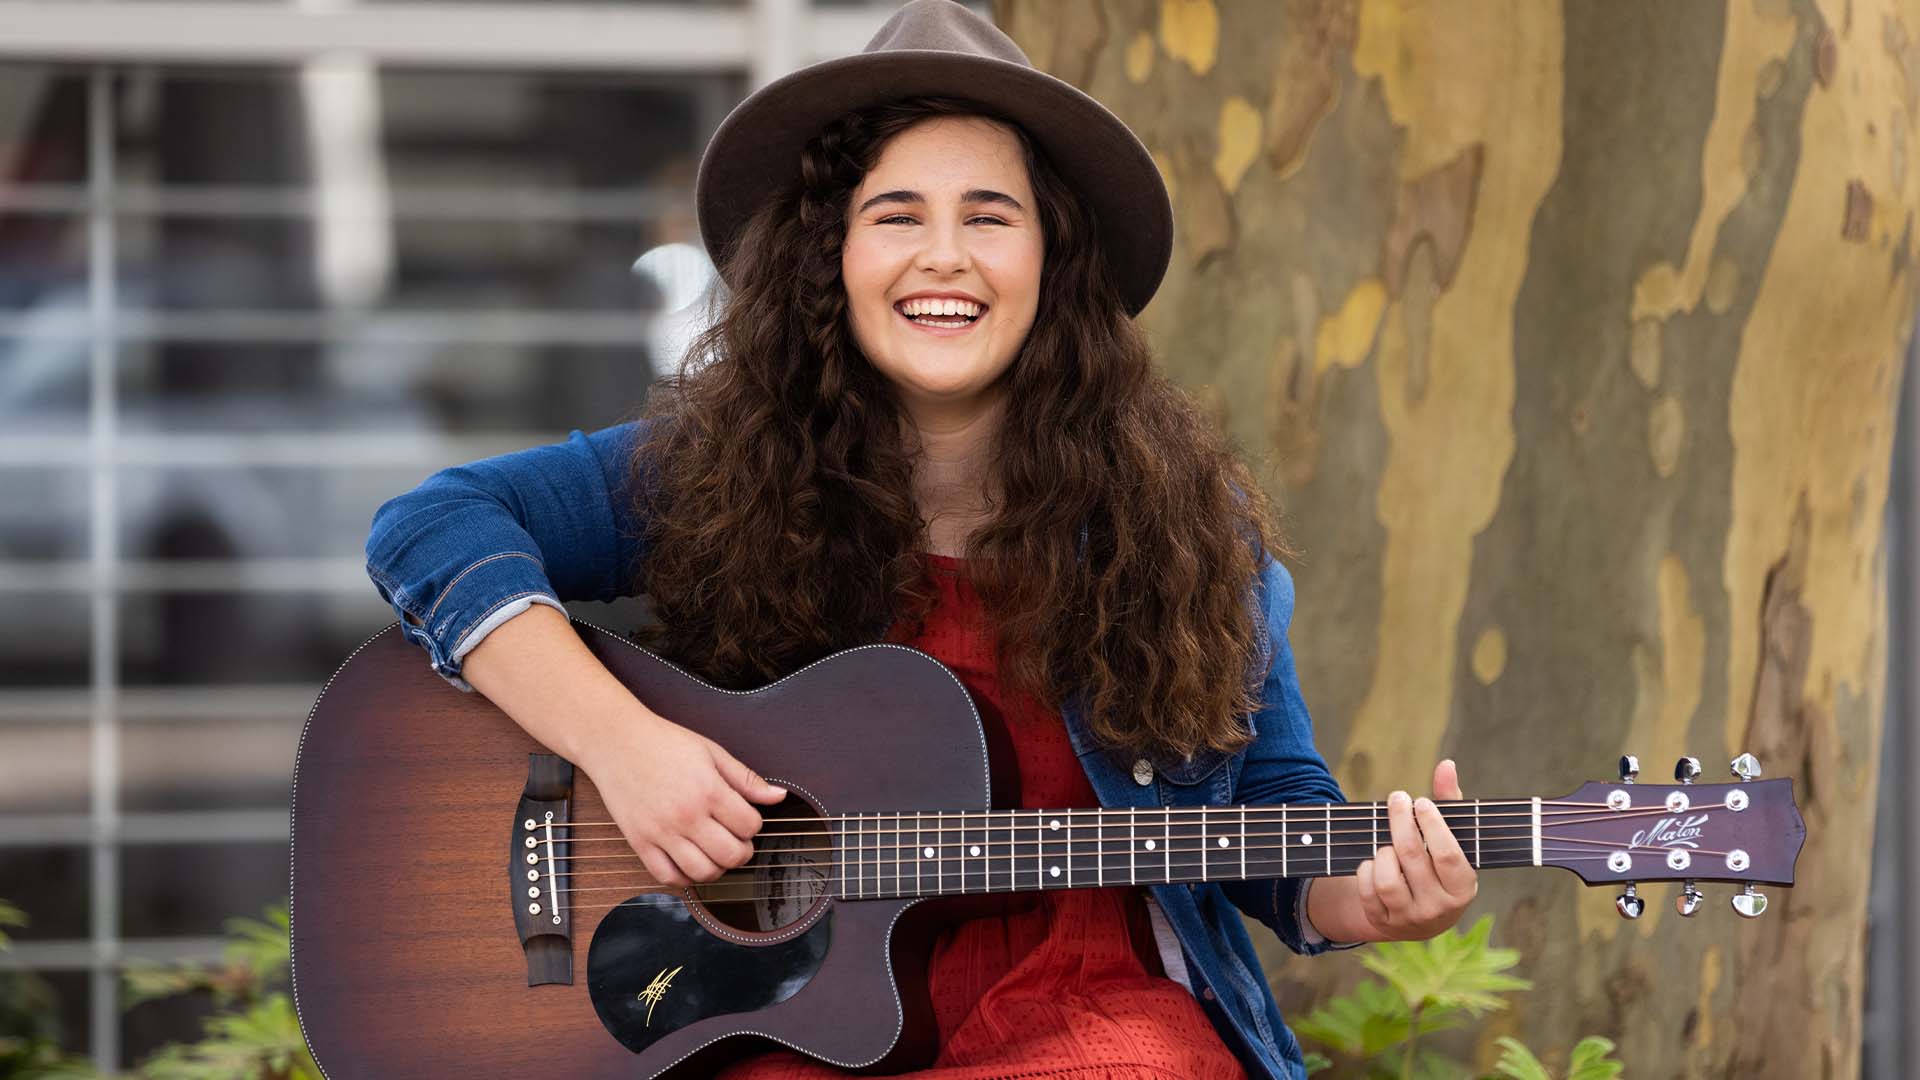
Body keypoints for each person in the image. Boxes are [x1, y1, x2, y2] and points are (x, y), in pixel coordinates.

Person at [363, 2, 1477, 1077]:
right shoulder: (708, 471)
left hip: (1090, 1018)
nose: (943, 256)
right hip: (786, 1023)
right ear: (828, 259)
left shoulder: (1184, 530)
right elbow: (431, 528)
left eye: (990, 217)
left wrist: (1368, 897)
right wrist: (624, 748)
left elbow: (1277, 812)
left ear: (1055, 262)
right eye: (897, 215)